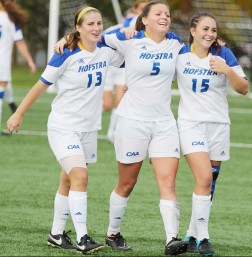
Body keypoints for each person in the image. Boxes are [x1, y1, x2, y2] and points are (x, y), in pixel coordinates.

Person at [7, 6, 124, 254]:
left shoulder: (106, 53)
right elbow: (40, 86)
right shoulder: (65, 54)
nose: (96, 28)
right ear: (78, 28)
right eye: (90, 24)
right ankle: (83, 237)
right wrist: (18, 113)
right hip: (63, 127)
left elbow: (130, 47)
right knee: (80, 177)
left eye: (99, 24)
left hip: (89, 129)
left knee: (68, 181)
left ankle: (56, 233)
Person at [100, 0, 189, 255]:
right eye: (158, 13)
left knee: (168, 182)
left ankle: (172, 239)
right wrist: (68, 41)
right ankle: (112, 233)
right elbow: (94, 39)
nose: (164, 17)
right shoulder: (129, 39)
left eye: (167, 14)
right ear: (145, 19)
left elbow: (200, 50)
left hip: (163, 124)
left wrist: (220, 45)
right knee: (127, 183)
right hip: (131, 121)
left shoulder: (175, 43)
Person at [176, 11, 249, 256]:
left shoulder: (223, 54)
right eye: (205, 29)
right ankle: (204, 238)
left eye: (214, 30)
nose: (210, 34)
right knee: (204, 178)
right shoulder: (179, 53)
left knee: (209, 182)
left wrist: (227, 70)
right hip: (191, 124)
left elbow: (244, 88)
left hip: (219, 125)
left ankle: (191, 233)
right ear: (193, 31)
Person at [103, 0, 149, 143]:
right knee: (107, 105)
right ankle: (84, 112)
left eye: (146, 10)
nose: (143, 13)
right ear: (135, 10)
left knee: (120, 101)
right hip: (110, 66)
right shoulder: (130, 21)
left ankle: (112, 133)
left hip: (124, 66)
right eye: (142, 9)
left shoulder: (148, 26)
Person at [0, 0, 36, 134]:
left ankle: (12, 105)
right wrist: (30, 61)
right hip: (2, 62)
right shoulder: (10, 20)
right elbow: (20, 43)